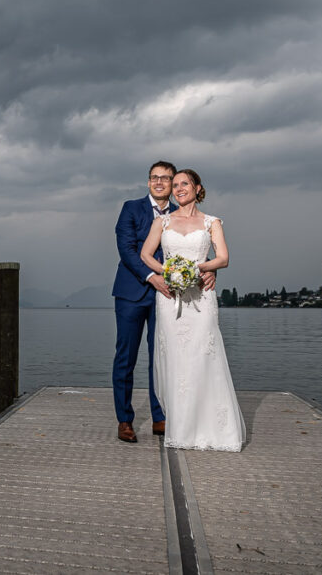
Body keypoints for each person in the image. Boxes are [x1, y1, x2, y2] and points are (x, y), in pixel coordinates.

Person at [140, 169, 245, 451]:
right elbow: (145, 255)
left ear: (198, 188)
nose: (178, 188)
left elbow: (222, 258)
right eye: (175, 185)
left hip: (201, 298)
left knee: (203, 355)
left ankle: (215, 429)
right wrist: (169, 272)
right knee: (176, 358)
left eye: (184, 184)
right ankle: (182, 429)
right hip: (171, 299)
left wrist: (197, 269)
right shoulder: (161, 222)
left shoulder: (212, 222)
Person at [111, 161, 216, 443]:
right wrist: (150, 276)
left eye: (166, 178)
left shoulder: (180, 213)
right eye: (154, 178)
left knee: (164, 357)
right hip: (132, 293)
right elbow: (127, 249)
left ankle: (161, 417)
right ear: (148, 182)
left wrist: (209, 268)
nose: (160, 182)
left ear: (173, 184)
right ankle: (125, 420)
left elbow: (198, 248)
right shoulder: (131, 208)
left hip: (171, 297)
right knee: (126, 357)